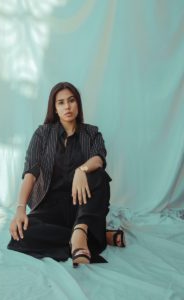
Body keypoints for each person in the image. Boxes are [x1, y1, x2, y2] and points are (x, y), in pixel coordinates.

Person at [7, 82, 125, 267]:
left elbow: (99, 158)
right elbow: (31, 171)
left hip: (83, 204)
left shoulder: (92, 132)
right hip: (51, 206)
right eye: (61, 102)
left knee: (99, 175)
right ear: (54, 108)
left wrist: (81, 169)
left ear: (78, 103)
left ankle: (81, 230)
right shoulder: (42, 134)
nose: (67, 106)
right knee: (21, 236)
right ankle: (91, 235)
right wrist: (20, 209)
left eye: (71, 101)